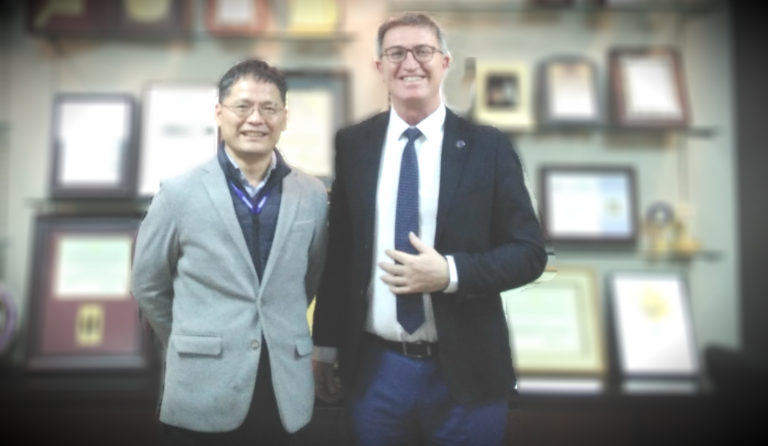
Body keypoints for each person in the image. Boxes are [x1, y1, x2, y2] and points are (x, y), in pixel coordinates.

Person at [311, 12, 547, 446]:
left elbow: (529, 253)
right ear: (380, 66)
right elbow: (340, 252)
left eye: (423, 51)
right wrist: (324, 345)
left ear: (445, 62)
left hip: (466, 372)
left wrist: (450, 273)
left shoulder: (489, 147)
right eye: (396, 53)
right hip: (376, 369)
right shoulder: (354, 145)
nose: (410, 63)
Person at [131, 58, 328, 446]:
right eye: (243, 106)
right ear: (219, 113)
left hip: (283, 391)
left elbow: (311, 277)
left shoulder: (313, 195)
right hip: (202, 388)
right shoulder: (178, 193)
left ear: (284, 117)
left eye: (268, 108)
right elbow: (148, 284)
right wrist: (190, 338)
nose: (256, 119)